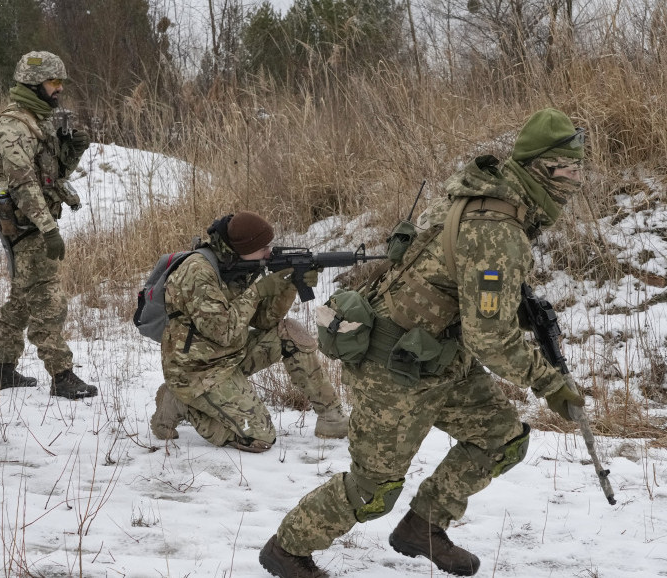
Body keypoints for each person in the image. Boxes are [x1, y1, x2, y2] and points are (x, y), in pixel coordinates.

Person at [259, 108, 587, 578]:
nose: (575, 179)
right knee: (374, 488)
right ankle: (287, 549)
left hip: (440, 358)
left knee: (501, 439)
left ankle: (424, 526)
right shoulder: (497, 231)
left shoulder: (479, 197)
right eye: (565, 169)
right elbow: (490, 338)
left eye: (579, 167)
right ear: (538, 169)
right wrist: (550, 383)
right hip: (393, 366)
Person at [153, 211, 349, 452]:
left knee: (289, 332)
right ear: (243, 247)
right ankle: (181, 402)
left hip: (229, 355)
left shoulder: (237, 263)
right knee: (260, 437)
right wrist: (258, 291)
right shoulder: (197, 271)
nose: (268, 251)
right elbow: (223, 331)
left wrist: (290, 286)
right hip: (196, 371)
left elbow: (264, 321)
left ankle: (332, 418)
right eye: (262, 246)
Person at [0, 51, 96, 399]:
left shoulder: (39, 118)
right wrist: (48, 228)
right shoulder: (15, 124)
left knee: (21, 297)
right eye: (52, 82)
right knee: (48, 299)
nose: (59, 89)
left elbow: (51, 176)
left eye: (61, 82)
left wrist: (74, 150)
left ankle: (2, 370)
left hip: (35, 219)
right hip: (24, 223)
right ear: (34, 83)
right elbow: (22, 183)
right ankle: (61, 374)